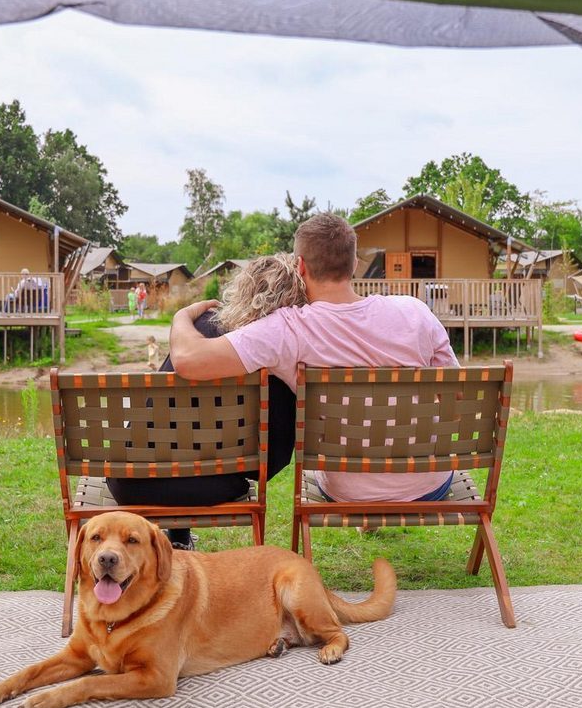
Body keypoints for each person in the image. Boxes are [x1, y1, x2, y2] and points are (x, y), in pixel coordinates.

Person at [171, 212, 458, 504]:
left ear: (300, 267)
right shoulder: (415, 312)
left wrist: (182, 316)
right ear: (355, 264)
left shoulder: (288, 329)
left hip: (348, 491)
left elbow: (187, 359)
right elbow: (455, 399)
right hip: (427, 482)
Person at [107, 254, 304, 547]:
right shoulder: (280, 358)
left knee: (179, 439)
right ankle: (180, 538)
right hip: (211, 486)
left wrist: (182, 318)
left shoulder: (198, 330)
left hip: (132, 483)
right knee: (206, 458)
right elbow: (272, 461)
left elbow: (146, 416)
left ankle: (180, 538)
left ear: (243, 288)